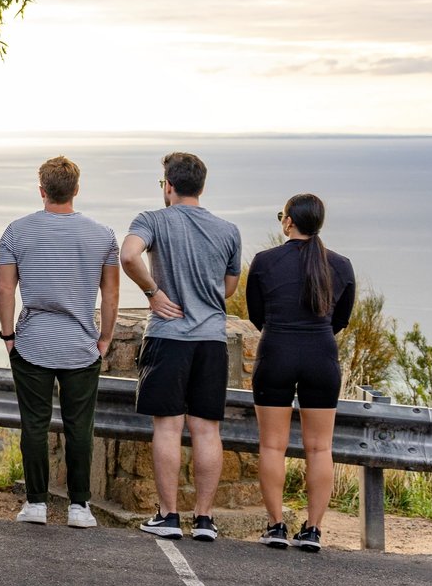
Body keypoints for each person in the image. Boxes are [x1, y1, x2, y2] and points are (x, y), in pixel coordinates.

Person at [119, 152, 242, 541]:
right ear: (201, 186)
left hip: (168, 337)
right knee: (207, 430)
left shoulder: (152, 220)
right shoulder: (228, 230)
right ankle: (204, 520)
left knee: (168, 429)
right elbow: (229, 286)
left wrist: (153, 292)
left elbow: (128, 254)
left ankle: (169, 516)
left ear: (167, 186)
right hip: (210, 340)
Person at [0, 157, 120, 529]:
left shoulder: (16, 232)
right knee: (79, 426)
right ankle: (79, 507)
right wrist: (105, 338)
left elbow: (5, 288)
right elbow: (111, 295)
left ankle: (35, 504)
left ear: (42, 191)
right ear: (76, 190)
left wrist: (8, 337)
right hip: (81, 346)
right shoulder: (103, 236)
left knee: (34, 424)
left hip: (32, 344)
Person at [247, 194, 356, 553]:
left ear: (289, 222)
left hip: (276, 352)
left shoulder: (265, 261)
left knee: (273, 445)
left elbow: (255, 314)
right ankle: (312, 530)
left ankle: (276, 526)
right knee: (320, 447)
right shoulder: (341, 265)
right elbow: (340, 320)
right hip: (321, 357)